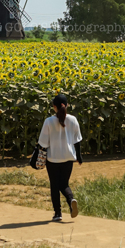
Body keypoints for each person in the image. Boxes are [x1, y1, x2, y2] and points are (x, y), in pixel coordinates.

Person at [37, 93, 83, 221]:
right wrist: (79, 156)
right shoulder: (73, 119)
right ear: (67, 105)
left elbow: (43, 143)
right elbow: (77, 140)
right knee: (64, 184)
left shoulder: (49, 121)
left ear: (54, 106)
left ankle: (58, 213)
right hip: (69, 157)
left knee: (54, 185)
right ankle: (71, 199)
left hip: (53, 158)